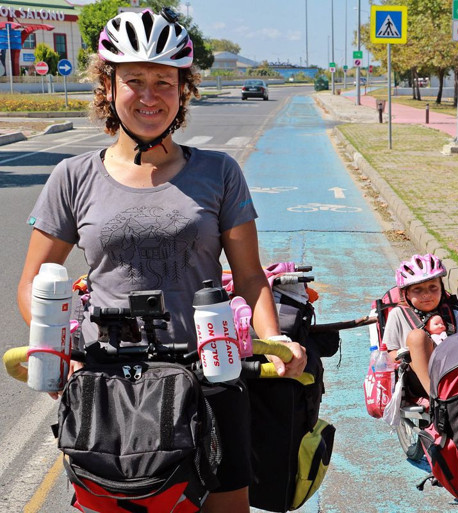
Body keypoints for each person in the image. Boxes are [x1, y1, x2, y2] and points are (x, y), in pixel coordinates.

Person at [16, 9, 306, 513]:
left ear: (183, 90)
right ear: (107, 87)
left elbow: (252, 277)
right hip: (106, 384)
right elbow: (33, 285)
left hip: (210, 373)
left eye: (164, 82)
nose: (149, 96)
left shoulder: (219, 172)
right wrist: (56, 350)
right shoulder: (72, 176)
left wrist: (274, 336)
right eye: (134, 81)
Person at [383, 253, 458, 395]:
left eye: (433, 287)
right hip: (419, 378)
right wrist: (407, 354)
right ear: (406, 294)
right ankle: (436, 398)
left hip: (454, 370)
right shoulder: (398, 315)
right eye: (417, 290)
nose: (426, 294)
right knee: (417, 337)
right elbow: (388, 354)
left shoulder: (452, 313)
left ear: (442, 288)